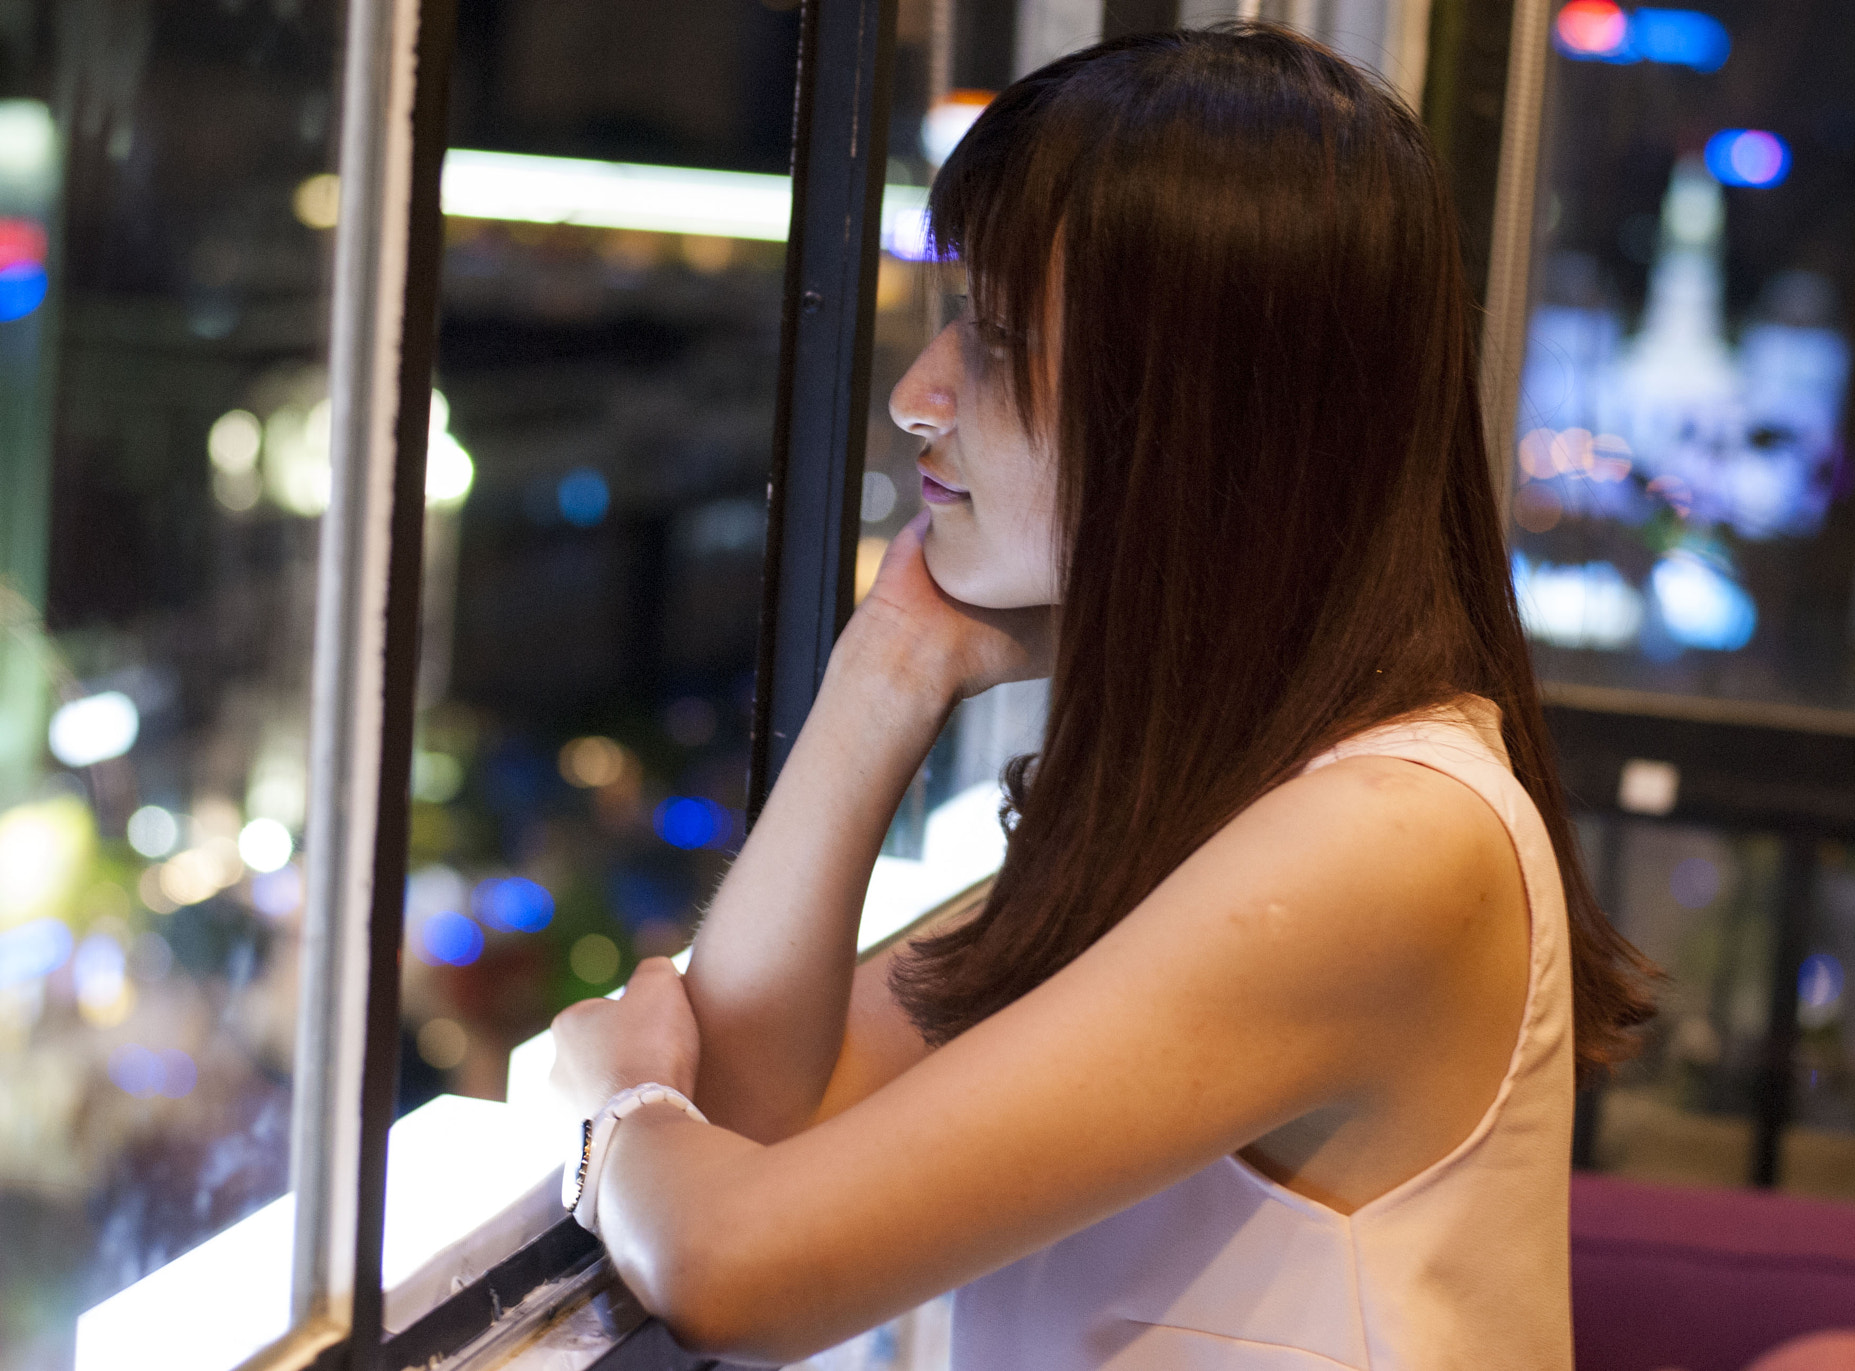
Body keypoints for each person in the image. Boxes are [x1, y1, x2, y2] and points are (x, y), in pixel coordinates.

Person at [550, 24, 1655, 1370]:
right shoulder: (1227, 794)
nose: (918, 394)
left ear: (1204, 422)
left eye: (1001, 344)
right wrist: (887, 669)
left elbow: (739, 1265)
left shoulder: (1390, 842)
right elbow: (761, 1109)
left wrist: (620, 1105)